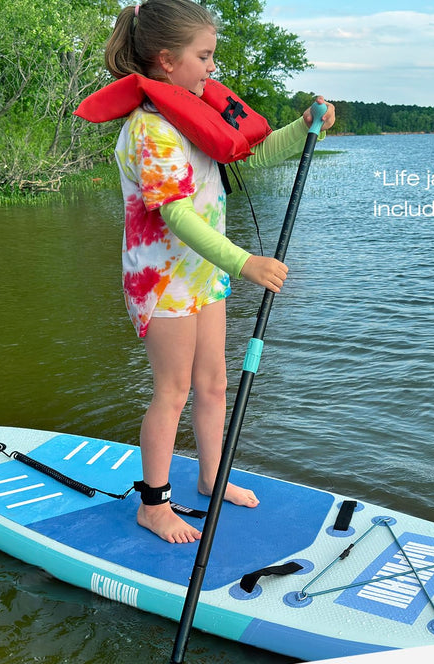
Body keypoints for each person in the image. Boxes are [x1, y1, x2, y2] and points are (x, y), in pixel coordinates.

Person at [105, 0, 335, 543]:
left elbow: (249, 156)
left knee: (213, 384)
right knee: (174, 391)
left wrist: (303, 127)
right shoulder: (149, 130)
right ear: (166, 61)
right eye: (204, 57)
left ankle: (210, 477)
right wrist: (245, 261)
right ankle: (154, 504)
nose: (212, 68)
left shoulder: (195, 111)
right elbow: (177, 214)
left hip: (204, 274)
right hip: (163, 279)